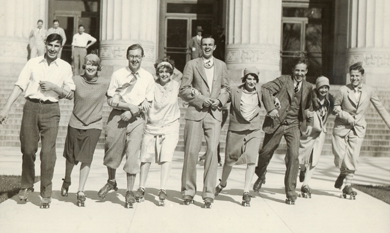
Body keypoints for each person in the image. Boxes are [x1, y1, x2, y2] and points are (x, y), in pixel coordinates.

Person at [0, 33, 75, 208]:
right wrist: (5, 108)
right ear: (45, 45)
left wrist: (54, 87)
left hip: (51, 110)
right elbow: (20, 85)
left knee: (48, 154)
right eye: (50, 45)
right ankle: (26, 185)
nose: (53, 49)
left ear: (60, 47)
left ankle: (46, 193)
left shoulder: (64, 67)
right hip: (31, 108)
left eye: (57, 46)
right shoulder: (32, 63)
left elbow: (70, 94)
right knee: (28, 149)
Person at [97, 44, 154, 209]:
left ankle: (129, 191)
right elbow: (110, 99)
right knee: (112, 150)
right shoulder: (118, 74)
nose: (134, 59)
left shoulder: (147, 77)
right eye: (132, 56)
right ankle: (111, 181)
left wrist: (133, 112)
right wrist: (128, 107)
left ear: (142, 57)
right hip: (118, 115)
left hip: (137, 119)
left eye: (138, 56)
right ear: (127, 57)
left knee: (132, 154)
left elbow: (147, 102)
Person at [252, 57, 313, 205]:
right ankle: (261, 174)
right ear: (293, 70)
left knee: (294, 156)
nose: (299, 73)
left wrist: (309, 123)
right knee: (265, 153)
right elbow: (265, 88)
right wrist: (271, 107)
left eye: (302, 71)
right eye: (297, 70)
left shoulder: (309, 87)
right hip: (277, 122)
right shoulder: (283, 80)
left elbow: (309, 107)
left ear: (306, 72)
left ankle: (290, 193)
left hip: (294, 124)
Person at [179, 34, 230, 208]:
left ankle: (208, 193)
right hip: (195, 112)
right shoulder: (192, 65)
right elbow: (184, 90)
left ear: (215, 47)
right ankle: (188, 191)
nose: (207, 47)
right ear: (200, 47)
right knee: (191, 153)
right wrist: (201, 99)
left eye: (210, 44)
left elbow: (226, 89)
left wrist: (220, 100)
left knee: (212, 153)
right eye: (204, 45)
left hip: (214, 114)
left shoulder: (222, 65)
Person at [332, 62, 390, 199]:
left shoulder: (369, 91)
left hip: (358, 128)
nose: (354, 79)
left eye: (357, 76)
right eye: (352, 76)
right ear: (349, 76)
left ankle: (348, 185)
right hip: (341, 127)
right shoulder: (342, 90)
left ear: (362, 76)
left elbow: (380, 108)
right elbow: (335, 107)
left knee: (353, 156)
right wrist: (345, 116)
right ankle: (343, 171)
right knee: (339, 156)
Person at [60, 54, 109, 207]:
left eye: (94, 64)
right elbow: (66, 91)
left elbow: (117, 94)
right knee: (71, 157)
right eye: (88, 63)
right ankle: (67, 179)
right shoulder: (76, 80)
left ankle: (81, 190)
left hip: (94, 125)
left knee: (86, 158)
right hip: (76, 122)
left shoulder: (104, 83)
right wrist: (65, 91)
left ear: (98, 67)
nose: (91, 67)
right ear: (84, 65)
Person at [135, 58, 181, 206]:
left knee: (167, 156)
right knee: (145, 156)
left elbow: (183, 76)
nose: (164, 74)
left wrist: (169, 64)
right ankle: (141, 187)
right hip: (152, 125)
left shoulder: (177, 85)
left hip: (170, 126)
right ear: (157, 73)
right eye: (161, 71)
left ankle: (163, 189)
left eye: (167, 71)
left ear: (172, 72)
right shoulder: (151, 86)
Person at [214, 67, 262, 207]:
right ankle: (222, 183)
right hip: (236, 129)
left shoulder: (260, 92)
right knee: (230, 160)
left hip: (253, 129)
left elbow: (270, 100)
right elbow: (224, 97)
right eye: (249, 78)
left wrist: (275, 102)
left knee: (252, 160)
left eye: (254, 79)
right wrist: (218, 101)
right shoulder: (235, 91)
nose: (251, 81)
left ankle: (246, 192)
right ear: (244, 79)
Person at [297, 76, 334, 198]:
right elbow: (304, 111)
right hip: (309, 131)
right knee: (301, 156)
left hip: (321, 133)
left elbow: (332, 111)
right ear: (317, 88)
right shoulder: (311, 98)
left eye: (326, 87)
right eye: (321, 87)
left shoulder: (330, 100)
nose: (323, 90)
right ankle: (302, 170)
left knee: (314, 159)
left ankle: (306, 185)